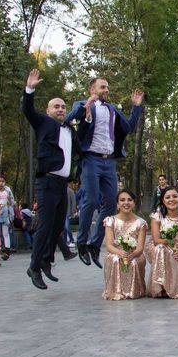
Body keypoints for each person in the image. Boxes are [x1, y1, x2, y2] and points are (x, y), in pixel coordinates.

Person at [66, 77, 143, 269]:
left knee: (110, 203)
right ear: (92, 89)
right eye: (102, 87)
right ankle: (82, 242)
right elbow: (70, 119)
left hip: (109, 162)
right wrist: (88, 103)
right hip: (90, 159)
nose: (106, 89)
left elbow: (129, 128)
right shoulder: (83, 104)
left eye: (107, 87)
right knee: (91, 200)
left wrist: (136, 107)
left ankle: (94, 245)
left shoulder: (112, 109)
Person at [21, 70, 77, 289]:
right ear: (48, 110)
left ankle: (45, 261)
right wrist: (30, 89)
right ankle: (34, 267)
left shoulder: (69, 129)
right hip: (46, 182)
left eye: (63, 107)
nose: (61, 109)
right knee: (45, 226)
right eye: (57, 106)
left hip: (62, 184)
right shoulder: (43, 122)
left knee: (56, 227)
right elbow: (27, 110)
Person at [146, 186, 178, 299]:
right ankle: (159, 288)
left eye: (175, 196)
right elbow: (156, 240)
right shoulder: (157, 214)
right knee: (160, 248)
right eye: (168, 197)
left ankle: (176, 290)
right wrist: (169, 241)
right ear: (163, 200)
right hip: (160, 247)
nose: (171, 199)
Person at [102, 189, 148, 300]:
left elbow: (140, 248)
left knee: (134, 261)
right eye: (122, 200)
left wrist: (132, 254)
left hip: (135, 254)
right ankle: (115, 291)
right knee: (115, 259)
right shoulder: (110, 221)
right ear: (118, 204)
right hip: (116, 252)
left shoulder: (141, 223)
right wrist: (120, 253)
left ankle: (135, 291)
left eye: (129, 200)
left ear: (134, 204)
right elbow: (109, 245)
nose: (126, 203)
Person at [0, 174, 15, 260]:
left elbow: (12, 203)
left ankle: (7, 252)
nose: (1, 183)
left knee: (5, 234)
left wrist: (9, 199)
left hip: (5, 214)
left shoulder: (8, 190)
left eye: (2, 181)